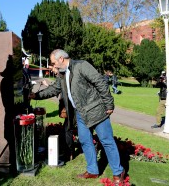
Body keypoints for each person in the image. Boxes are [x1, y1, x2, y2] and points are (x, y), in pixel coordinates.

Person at [29, 49, 125, 185]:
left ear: (61, 59)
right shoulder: (61, 75)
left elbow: (100, 82)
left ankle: (118, 172)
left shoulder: (81, 65)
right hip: (80, 113)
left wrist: (109, 104)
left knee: (106, 141)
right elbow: (54, 89)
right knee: (85, 141)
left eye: (53, 62)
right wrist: (36, 95)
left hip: (97, 110)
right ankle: (93, 170)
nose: (53, 66)